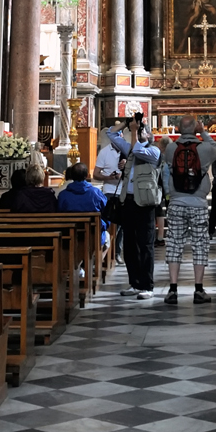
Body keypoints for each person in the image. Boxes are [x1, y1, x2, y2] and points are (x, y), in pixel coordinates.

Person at [161, 122, 216, 305]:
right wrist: (204, 132)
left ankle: (172, 290)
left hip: (176, 202)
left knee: (174, 244)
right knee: (200, 245)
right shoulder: (204, 148)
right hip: (198, 202)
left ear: (178, 129)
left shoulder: (170, 148)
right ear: (196, 129)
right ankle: (199, 289)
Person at [107, 114, 162, 299]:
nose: (139, 131)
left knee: (145, 245)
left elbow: (138, 150)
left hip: (145, 203)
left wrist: (134, 132)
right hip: (128, 201)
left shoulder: (154, 152)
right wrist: (126, 122)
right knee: (130, 245)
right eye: (138, 129)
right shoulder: (131, 147)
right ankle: (134, 283)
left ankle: (147, 285)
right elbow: (111, 134)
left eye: (142, 130)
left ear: (149, 135)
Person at [58, 160, 108, 244]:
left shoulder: (63, 195)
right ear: (87, 175)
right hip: (93, 235)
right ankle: (96, 257)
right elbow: (105, 212)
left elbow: (58, 213)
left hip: (69, 236)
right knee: (108, 238)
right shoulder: (96, 193)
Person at [93, 130, 125, 260]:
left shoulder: (128, 149)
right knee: (110, 222)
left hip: (124, 191)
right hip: (110, 191)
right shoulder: (104, 152)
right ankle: (108, 251)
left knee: (122, 223)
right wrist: (108, 177)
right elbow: (95, 174)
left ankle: (117, 252)